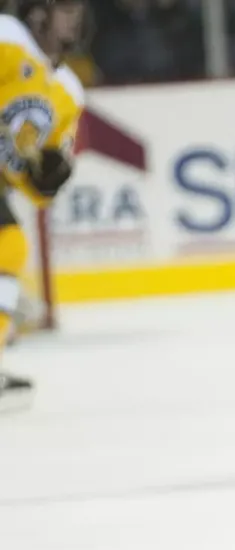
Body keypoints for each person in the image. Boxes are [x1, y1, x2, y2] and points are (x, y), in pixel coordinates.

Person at [0, 0, 86, 410]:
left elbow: (36, 185)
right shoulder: (7, 38)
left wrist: (48, 177)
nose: (75, 21)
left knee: (10, 248)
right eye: (65, 11)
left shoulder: (68, 90)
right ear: (37, 15)